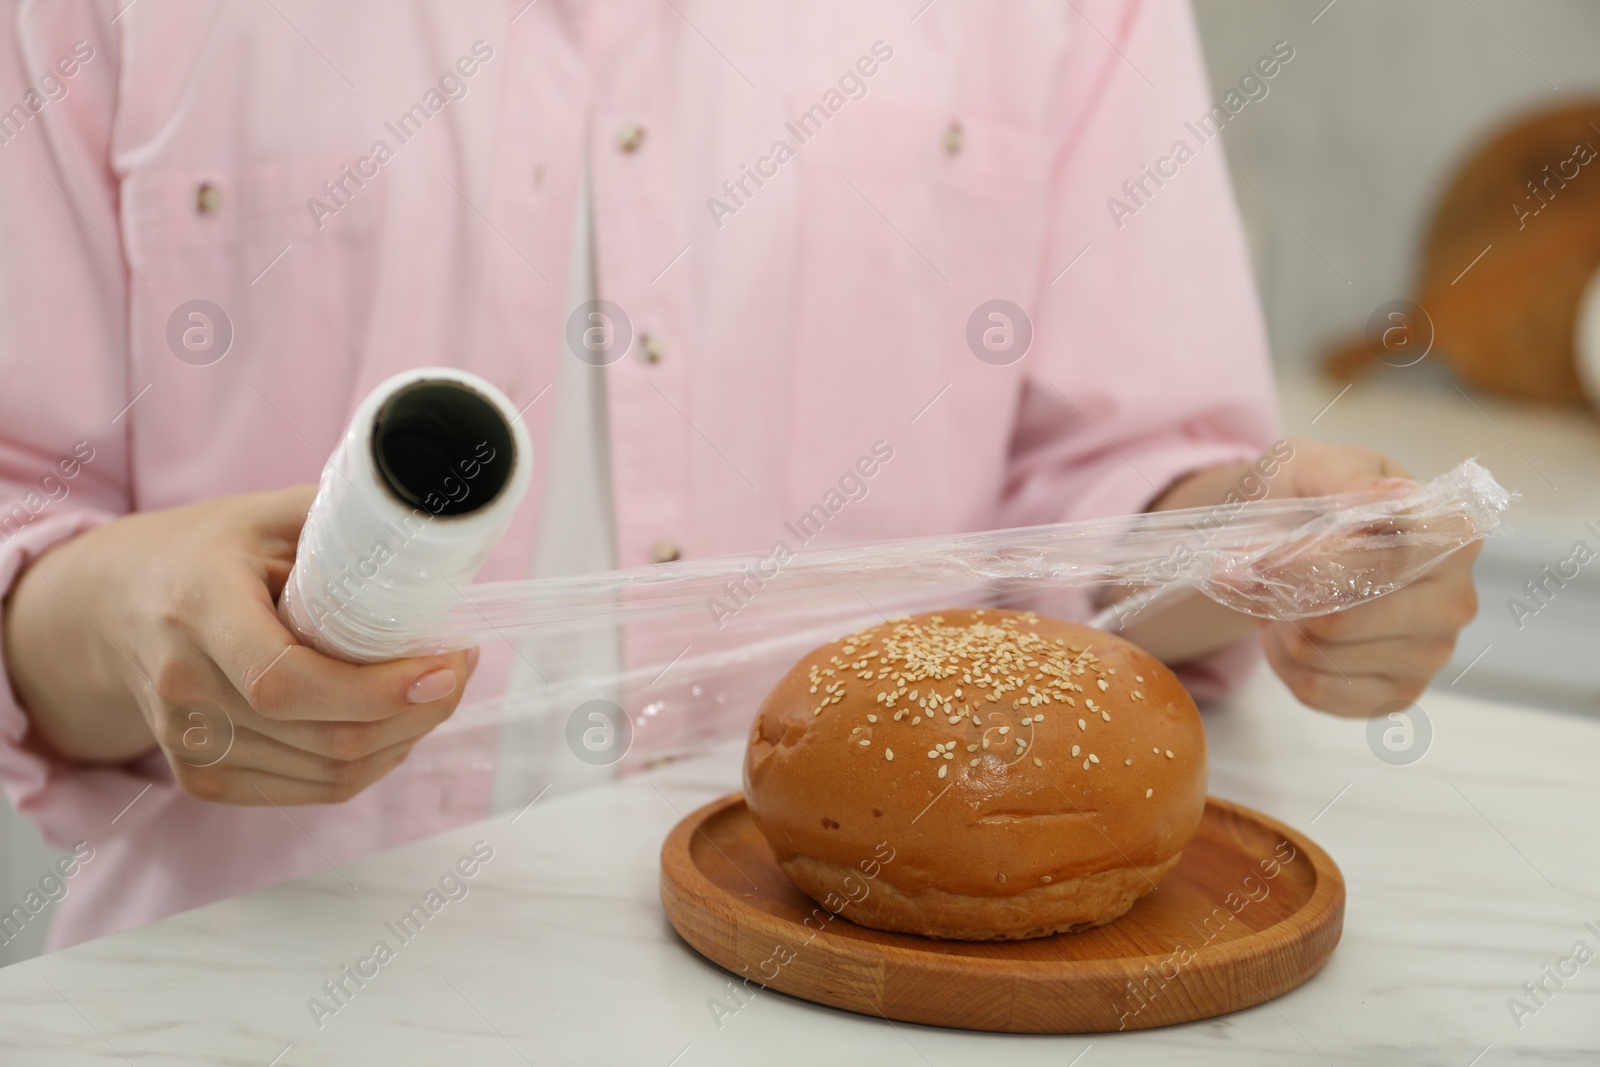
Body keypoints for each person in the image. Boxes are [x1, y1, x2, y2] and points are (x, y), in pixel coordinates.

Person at [0, 0, 1478, 950]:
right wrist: (130, 622)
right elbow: (25, 524)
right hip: (236, 986)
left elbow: (1106, 497)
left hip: (868, 1000)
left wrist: (1266, 543)